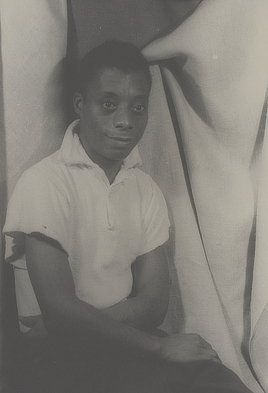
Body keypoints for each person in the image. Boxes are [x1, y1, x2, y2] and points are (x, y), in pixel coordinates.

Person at [3, 40, 253, 393]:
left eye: (138, 108)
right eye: (108, 105)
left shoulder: (145, 188)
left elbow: (153, 305)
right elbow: (58, 309)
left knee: (221, 381)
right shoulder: (44, 182)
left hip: (126, 342)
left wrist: (77, 320)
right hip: (58, 354)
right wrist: (160, 346)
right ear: (80, 105)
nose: (125, 121)